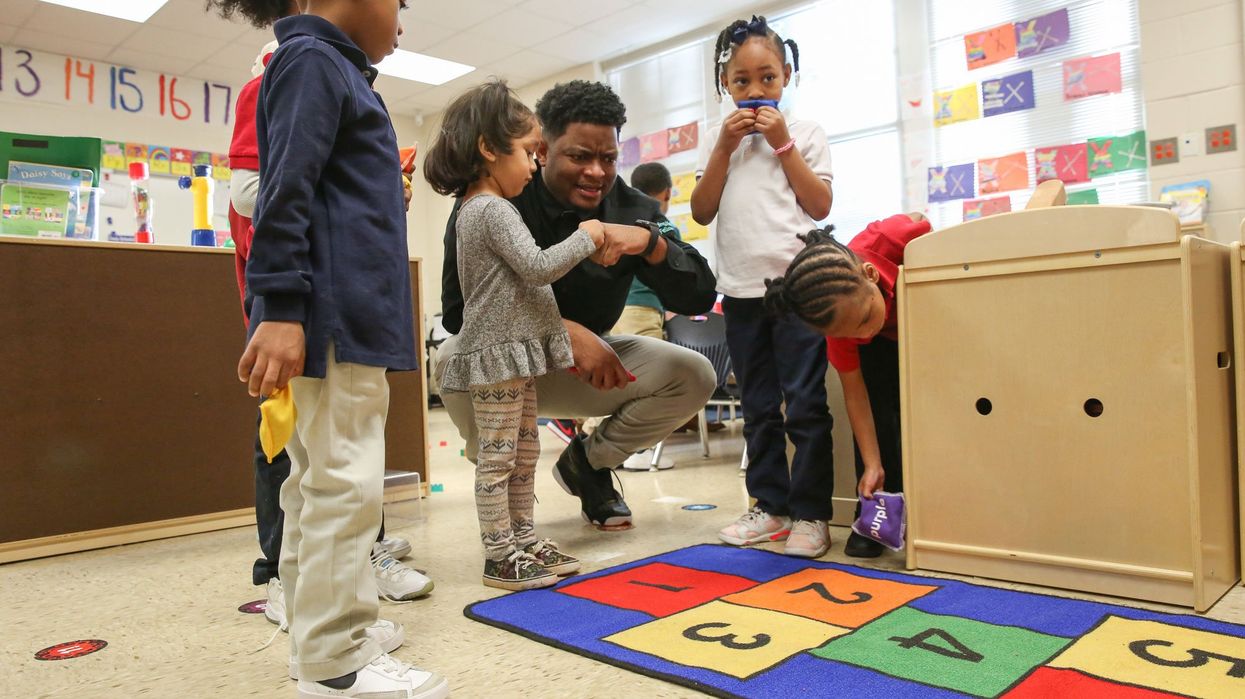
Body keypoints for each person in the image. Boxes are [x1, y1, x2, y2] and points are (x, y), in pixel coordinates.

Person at [236, 1, 447, 696]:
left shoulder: (328, 67)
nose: (401, 20)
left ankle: (314, 629)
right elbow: (283, 190)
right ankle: (335, 663)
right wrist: (282, 306)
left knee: (316, 485)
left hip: (340, 317)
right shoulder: (315, 61)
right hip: (333, 319)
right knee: (343, 487)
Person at [437, 80, 719, 530]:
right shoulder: (493, 199)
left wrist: (649, 244)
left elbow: (701, 292)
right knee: (450, 355)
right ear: (543, 150)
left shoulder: (631, 208)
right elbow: (459, 311)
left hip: (586, 368)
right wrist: (561, 330)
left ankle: (588, 464)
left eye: (608, 158)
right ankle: (501, 480)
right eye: (579, 157)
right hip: (510, 362)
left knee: (694, 374)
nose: (596, 172)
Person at [424, 80, 615, 589]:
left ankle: (524, 539)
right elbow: (536, 267)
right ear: (489, 149)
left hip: (514, 354)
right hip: (497, 355)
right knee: (499, 456)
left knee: (525, 451)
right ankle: (499, 552)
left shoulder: (484, 208)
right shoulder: (489, 208)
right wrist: (587, 235)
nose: (534, 166)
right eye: (529, 153)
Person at [691, 15, 836, 559]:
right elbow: (702, 212)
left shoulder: (806, 133)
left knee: (804, 404)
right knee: (757, 407)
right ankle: (769, 507)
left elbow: (819, 205)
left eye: (767, 78)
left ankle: (812, 514)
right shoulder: (716, 139)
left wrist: (782, 144)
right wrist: (722, 152)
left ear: (787, 76)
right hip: (741, 293)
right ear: (724, 85)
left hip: (796, 291)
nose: (754, 92)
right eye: (741, 81)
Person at [764, 214, 933, 558]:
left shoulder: (887, 239)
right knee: (881, 413)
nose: (862, 334)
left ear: (870, 275)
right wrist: (873, 465)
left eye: (864, 321)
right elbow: (857, 399)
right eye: (849, 334)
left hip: (930, 321)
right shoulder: (847, 332)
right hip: (887, 345)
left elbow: (928, 231)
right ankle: (877, 515)